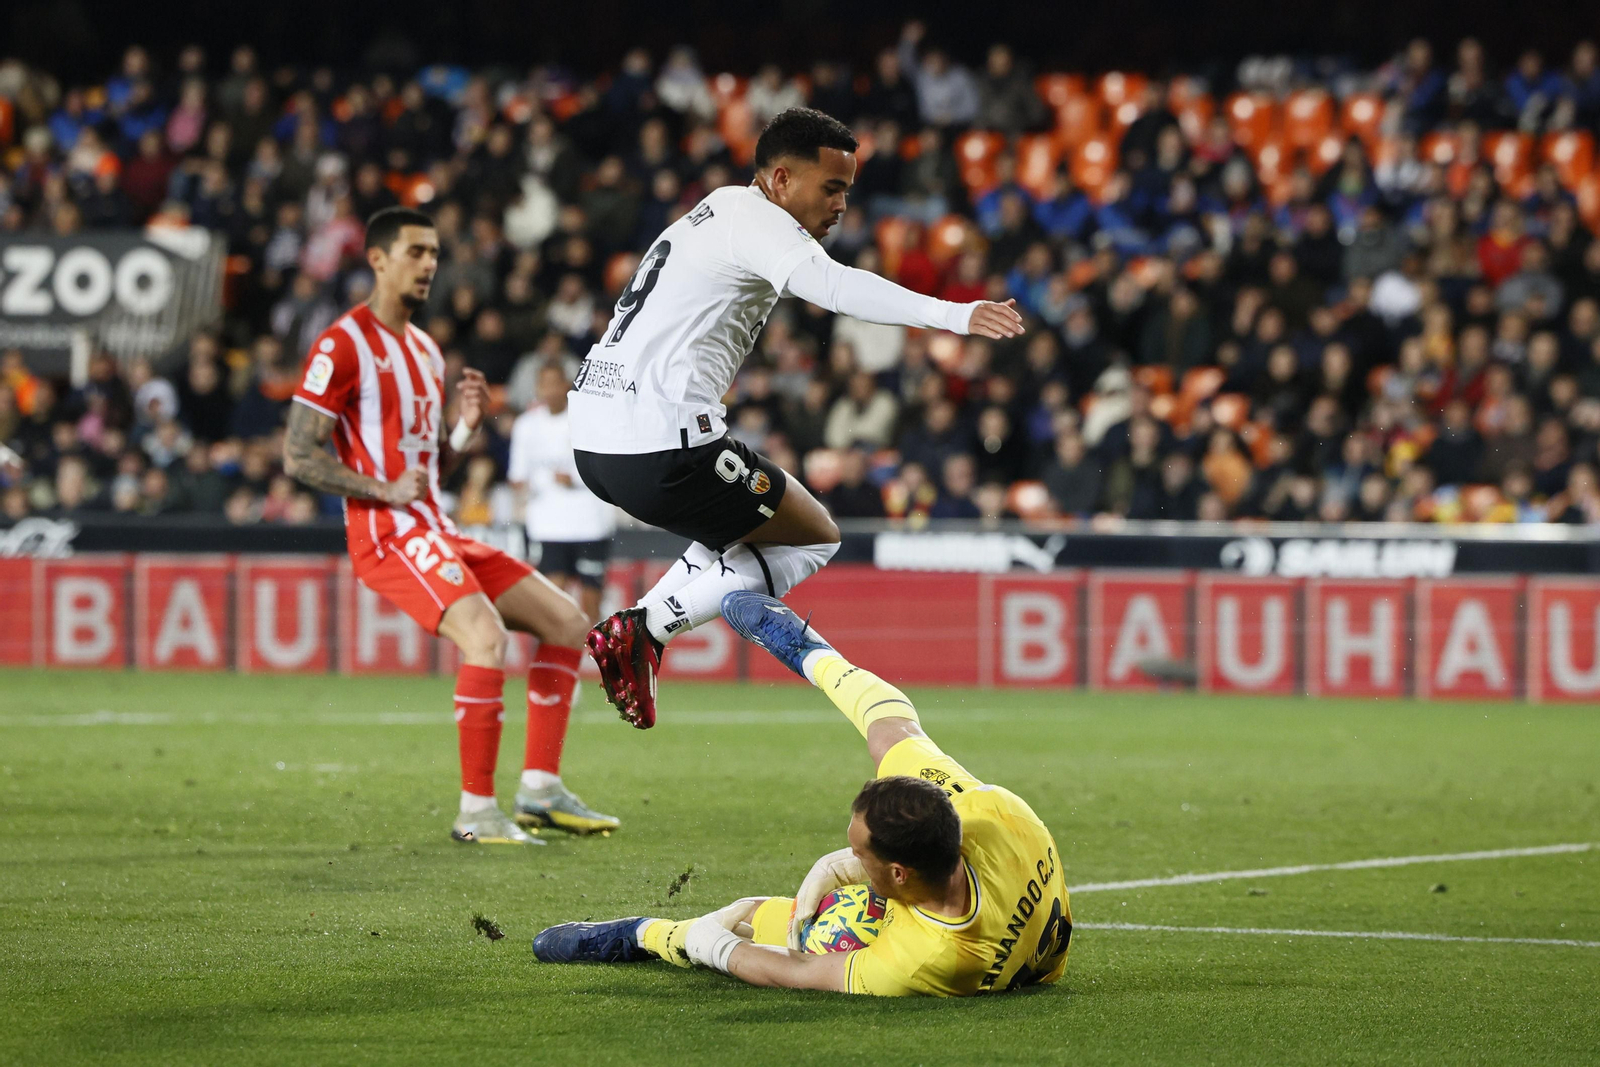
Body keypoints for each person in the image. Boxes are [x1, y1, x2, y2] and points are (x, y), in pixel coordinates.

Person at [571, 107, 1024, 728]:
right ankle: (644, 626)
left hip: (596, 438)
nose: (841, 205)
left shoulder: (718, 211)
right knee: (813, 535)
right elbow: (835, 289)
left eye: (847, 190)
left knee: (743, 533)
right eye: (831, 187)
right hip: (659, 440)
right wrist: (954, 315)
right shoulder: (754, 216)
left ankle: (640, 632)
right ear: (781, 180)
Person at [532, 590, 1071, 997]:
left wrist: (709, 946)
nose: (849, 857)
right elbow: (895, 734)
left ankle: (647, 934)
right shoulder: (997, 815)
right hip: (989, 908)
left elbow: (795, 971)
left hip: (958, 940)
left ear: (899, 873)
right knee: (893, 740)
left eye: (859, 852)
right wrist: (852, 864)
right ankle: (808, 651)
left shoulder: (925, 960)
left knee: (784, 931)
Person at [282, 206, 618, 846]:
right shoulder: (342, 344)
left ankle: (540, 791)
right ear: (378, 259)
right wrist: (381, 489)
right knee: (486, 639)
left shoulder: (425, 348)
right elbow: (298, 455)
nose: (430, 264)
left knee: (568, 623)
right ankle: (475, 811)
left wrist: (464, 427)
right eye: (416, 251)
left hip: (435, 527)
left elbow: (428, 460)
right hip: (387, 535)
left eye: (435, 252)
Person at [508, 358, 617, 624]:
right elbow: (517, 477)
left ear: (567, 386)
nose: (551, 391)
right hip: (548, 525)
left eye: (556, 384)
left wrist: (577, 479)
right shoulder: (525, 425)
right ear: (538, 388)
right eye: (545, 385)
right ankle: (562, 659)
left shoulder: (587, 421)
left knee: (591, 600)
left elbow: (608, 469)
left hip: (590, 522)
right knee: (554, 601)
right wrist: (531, 486)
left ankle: (593, 660)